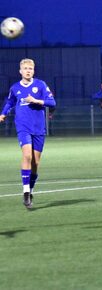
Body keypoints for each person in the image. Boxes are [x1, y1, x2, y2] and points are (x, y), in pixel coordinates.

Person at [0, 58, 56, 209]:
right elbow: (10, 102)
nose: (28, 71)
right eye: (25, 68)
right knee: (27, 156)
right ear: (20, 71)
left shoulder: (41, 85)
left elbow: (52, 103)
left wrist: (37, 101)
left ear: (33, 70)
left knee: (35, 163)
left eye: (30, 68)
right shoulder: (15, 88)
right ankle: (25, 192)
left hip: (38, 128)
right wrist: (3, 113)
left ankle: (30, 190)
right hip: (22, 126)